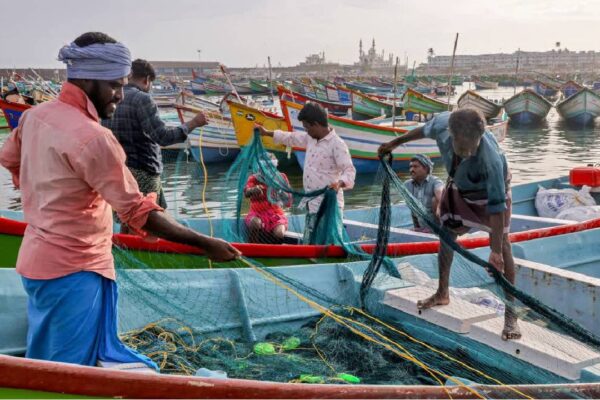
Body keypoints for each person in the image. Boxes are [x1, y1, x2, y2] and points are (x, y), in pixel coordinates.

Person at [0, 32, 240, 369]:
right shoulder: (94, 138)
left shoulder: (34, 116)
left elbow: (10, 159)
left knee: (47, 354)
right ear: (86, 79)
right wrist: (204, 243)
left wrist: (47, 196)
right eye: (114, 85)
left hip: (36, 261)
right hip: (75, 268)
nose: (120, 95)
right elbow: (139, 212)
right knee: (70, 372)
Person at [379, 108, 520, 341]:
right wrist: (394, 143)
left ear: (481, 136)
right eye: (463, 147)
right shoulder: (442, 124)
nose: (468, 152)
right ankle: (442, 292)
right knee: (446, 233)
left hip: (491, 195)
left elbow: (496, 209)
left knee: (504, 246)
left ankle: (511, 316)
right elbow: (422, 131)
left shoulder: (491, 160)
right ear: (451, 135)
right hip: (460, 187)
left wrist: (494, 252)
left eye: (473, 147)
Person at [102, 59, 208, 232]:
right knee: (149, 224)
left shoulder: (111, 99)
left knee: (127, 220)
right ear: (147, 80)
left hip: (118, 172)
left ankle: (129, 253)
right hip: (143, 172)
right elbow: (163, 137)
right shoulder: (142, 99)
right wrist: (193, 123)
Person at [255, 102, 356, 243]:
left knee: (328, 241)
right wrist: (266, 133)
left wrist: (339, 183)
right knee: (312, 239)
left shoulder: (337, 144)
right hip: (312, 202)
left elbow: (349, 171)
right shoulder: (310, 139)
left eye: (307, 127)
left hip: (329, 206)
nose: (306, 131)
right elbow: (290, 137)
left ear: (316, 124)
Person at [244, 153, 291, 244]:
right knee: (255, 223)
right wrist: (253, 190)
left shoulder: (281, 178)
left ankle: (274, 251)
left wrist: (280, 190)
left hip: (276, 214)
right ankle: (253, 247)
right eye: (264, 168)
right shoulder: (253, 179)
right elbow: (246, 192)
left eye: (270, 167)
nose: (267, 171)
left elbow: (288, 202)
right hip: (256, 213)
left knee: (280, 233)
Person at [404, 154, 443, 232]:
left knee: (435, 200)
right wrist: (417, 227)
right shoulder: (407, 185)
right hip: (423, 227)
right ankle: (422, 228)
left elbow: (441, 196)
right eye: (410, 167)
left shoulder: (436, 181)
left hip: (440, 226)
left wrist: (439, 206)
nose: (411, 169)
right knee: (412, 202)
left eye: (415, 166)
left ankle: (439, 230)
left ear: (425, 168)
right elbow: (412, 209)